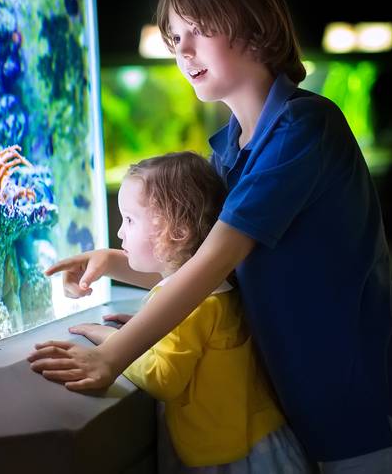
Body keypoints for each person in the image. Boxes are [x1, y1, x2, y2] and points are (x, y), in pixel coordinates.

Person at [29, 0, 392, 472]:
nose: (182, 50)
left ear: (254, 26)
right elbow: (208, 270)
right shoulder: (229, 150)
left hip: (375, 399)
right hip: (307, 402)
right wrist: (112, 263)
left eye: (198, 29)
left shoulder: (303, 127)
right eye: (175, 37)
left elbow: (213, 263)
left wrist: (113, 357)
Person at [69, 151, 313, 472]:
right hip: (258, 439)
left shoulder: (191, 303)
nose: (120, 232)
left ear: (177, 231)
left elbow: (163, 378)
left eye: (130, 220)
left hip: (233, 458)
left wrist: (109, 338)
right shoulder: (218, 286)